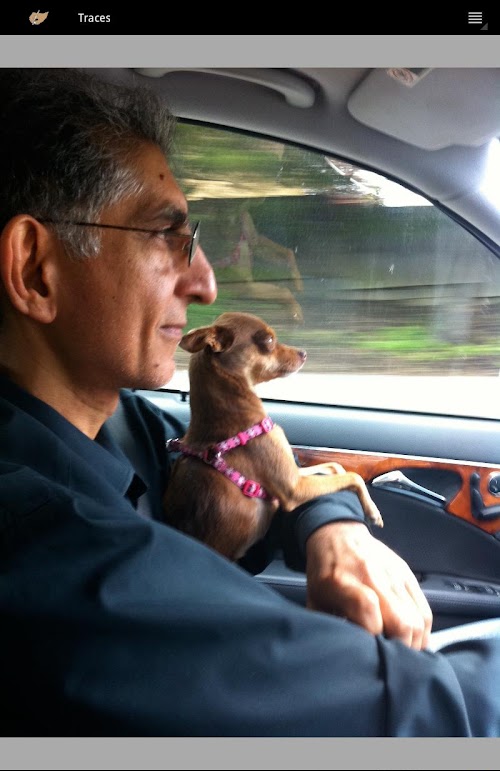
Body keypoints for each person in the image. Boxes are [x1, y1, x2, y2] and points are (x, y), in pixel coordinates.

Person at [0, 67, 499, 736]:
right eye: (166, 235)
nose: (205, 282)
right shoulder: (46, 553)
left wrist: (330, 525)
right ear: (36, 269)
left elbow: (246, 461)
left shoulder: (117, 422)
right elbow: (427, 718)